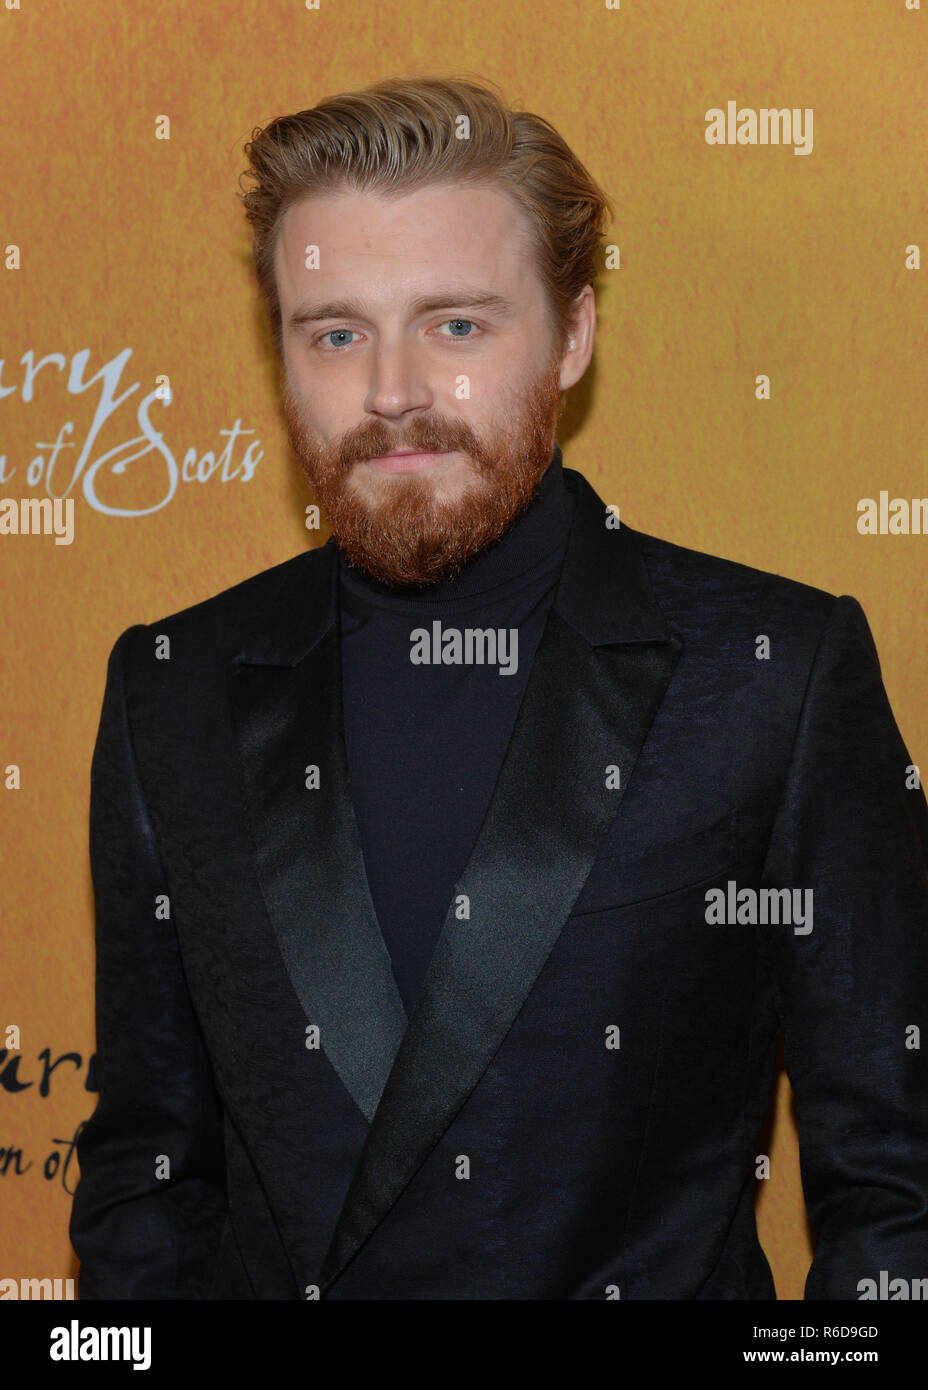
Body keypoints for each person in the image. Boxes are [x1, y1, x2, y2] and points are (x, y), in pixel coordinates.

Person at [69, 74, 928, 1300]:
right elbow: (145, 1178)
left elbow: (896, 1180)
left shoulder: (771, 674)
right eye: (335, 332)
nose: (392, 391)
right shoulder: (174, 685)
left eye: (457, 325)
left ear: (573, 335)